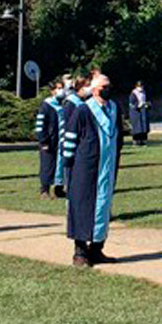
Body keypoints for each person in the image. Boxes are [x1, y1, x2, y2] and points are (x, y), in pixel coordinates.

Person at [63, 71, 122, 266]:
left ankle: (97, 249)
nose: (108, 89)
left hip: (107, 165)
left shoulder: (114, 109)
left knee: (103, 206)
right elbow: (70, 138)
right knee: (82, 206)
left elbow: (119, 137)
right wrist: (68, 165)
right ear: (95, 90)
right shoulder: (83, 110)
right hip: (85, 167)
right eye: (105, 86)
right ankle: (80, 252)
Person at [35, 81, 67, 199]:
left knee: (60, 165)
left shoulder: (63, 105)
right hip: (49, 141)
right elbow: (40, 125)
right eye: (58, 88)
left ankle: (58, 189)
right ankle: (44, 190)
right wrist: (43, 140)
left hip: (61, 140)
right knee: (47, 165)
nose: (60, 90)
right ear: (52, 91)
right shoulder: (46, 106)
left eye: (62, 88)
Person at [128, 81, 151, 146]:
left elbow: (148, 101)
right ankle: (136, 141)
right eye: (139, 86)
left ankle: (144, 141)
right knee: (137, 127)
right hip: (136, 113)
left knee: (144, 127)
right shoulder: (133, 93)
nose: (141, 88)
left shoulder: (144, 93)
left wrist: (147, 105)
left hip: (143, 111)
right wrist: (137, 105)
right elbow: (131, 103)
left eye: (141, 86)